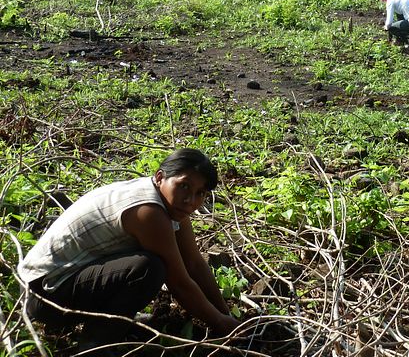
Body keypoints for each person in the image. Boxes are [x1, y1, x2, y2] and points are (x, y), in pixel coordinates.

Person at [18, 148, 242, 354]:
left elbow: (194, 263)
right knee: (148, 269)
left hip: (62, 282)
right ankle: (96, 346)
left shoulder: (173, 207)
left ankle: (117, 324)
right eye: (183, 186)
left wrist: (226, 315)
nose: (190, 200)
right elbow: (180, 284)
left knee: (148, 267)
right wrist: (223, 326)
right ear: (160, 177)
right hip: (43, 295)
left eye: (200, 193)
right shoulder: (148, 211)